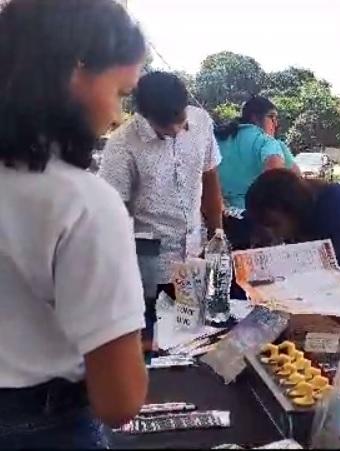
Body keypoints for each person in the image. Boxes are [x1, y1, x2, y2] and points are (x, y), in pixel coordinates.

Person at [0, 0, 148, 447]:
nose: (118, 116)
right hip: (41, 428)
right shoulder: (82, 203)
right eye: (120, 92)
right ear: (75, 69)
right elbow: (119, 401)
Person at [100, 71, 223, 341]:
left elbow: (210, 177)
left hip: (194, 255)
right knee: (150, 340)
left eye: (180, 118)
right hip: (147, 261)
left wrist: (218, 235)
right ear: (145, 115)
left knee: (191, 336)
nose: (178, 128)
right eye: (167, 124)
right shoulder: (122, 145)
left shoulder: (200, 122)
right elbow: (111, 212)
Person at [216, 96, 299, 251]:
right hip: (259, 228)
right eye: (272, 117)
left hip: (221, 223)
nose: (276, 124)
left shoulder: (218, 139)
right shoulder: (267, 142)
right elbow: (280, 176)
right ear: (255, 117)